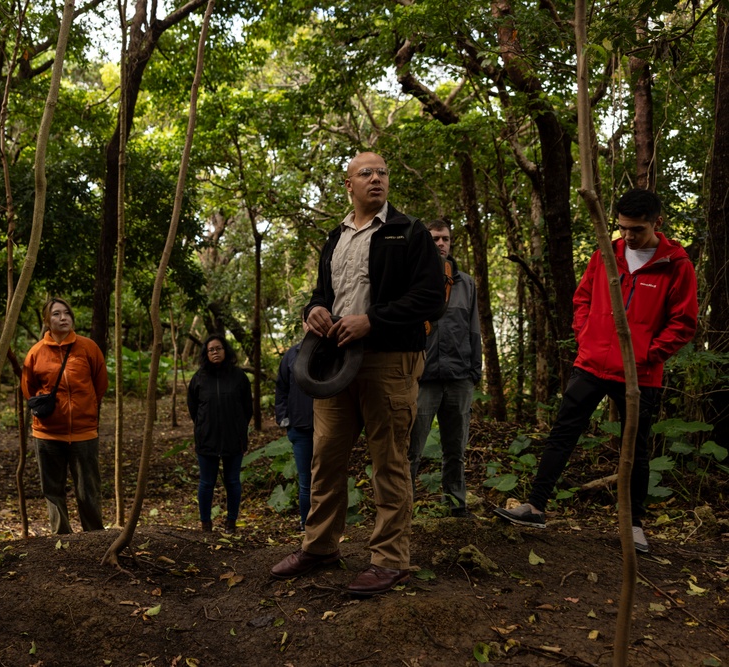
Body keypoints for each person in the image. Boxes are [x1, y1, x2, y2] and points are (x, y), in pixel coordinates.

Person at [270, 152, 446, 596]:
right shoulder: (336, 237)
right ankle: (320, 547)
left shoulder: (409, 232)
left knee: (389, 460)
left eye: (382, 172)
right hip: (335, 362)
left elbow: (430, 299)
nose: (376, 178)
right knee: (325, 457)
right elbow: (322, 292)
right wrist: (314, 310)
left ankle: (389, 561)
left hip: (388, 361)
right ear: (348, 184)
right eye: (365, 173)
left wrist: (374, 319)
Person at [494, 189, 698, 554]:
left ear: (657, 223)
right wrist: (586, 336)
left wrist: (649, 354)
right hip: (590, 363)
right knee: (561, 434)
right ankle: (536, 507)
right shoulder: (607, 253)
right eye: (622, 228)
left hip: (640, 373)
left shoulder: (676, 264)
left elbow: (683, 322)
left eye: (636, 229)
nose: (628, 236)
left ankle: (634, 526)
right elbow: (582, 298)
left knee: (635, 448)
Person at [407, 220, 482, 517]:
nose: (440, 243)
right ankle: (403, 508)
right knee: (412, 448)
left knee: (456, 449)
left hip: (459, 377)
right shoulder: (412, 280)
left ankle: (455, 505)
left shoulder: (466, 283)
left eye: (445, 239)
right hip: (423, 379)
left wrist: (475, 371)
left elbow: (473, 330)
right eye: (434, 238)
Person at [21, 297, 108, 534]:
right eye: (57, 314)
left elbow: (100, 385)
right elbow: (28, 389)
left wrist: (84, 407)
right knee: (52, 489)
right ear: (47, 321)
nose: (63, 318)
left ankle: (94, 536)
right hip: (48, 433)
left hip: (84, 432)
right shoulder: (36, 352)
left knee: (88, 489)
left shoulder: (88, 347)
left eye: (67, 313)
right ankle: (62, 537)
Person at [187, 334, 253, 534]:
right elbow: (193, 409)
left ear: (226, 350)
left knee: (232, 482)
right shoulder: (198, 378)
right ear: (206, 354)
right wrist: (204, 427)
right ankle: (206, 525)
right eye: (211, 350)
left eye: (219, 348)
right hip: (207, 439)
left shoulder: (238, 377)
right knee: (207, 483)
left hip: (234, 439)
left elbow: (247, 409)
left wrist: (238, 428)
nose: (215, 352)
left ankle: (231, 523)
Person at [274, 341, 314, 530]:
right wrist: (284, 419)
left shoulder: (332, 349)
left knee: (329, 480)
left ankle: (328, 525)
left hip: (329, 427)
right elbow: (281, 388)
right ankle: (306, 523)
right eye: (306, 320)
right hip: (300, 428)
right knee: (306, 481)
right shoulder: (291, 354)